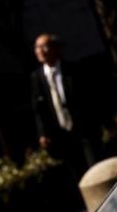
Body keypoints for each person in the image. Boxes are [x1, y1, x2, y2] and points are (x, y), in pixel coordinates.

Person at [30, 33, 101, 177]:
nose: (40, 51)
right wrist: (43, 133)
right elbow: (38, 108)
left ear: (56, 49)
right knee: (77, 173)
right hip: (61, 135)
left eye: (44, 46)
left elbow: (89, 98)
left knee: (96, 169)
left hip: (83, 129)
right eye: (37, 47)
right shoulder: (37, 77)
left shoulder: (73, 69)